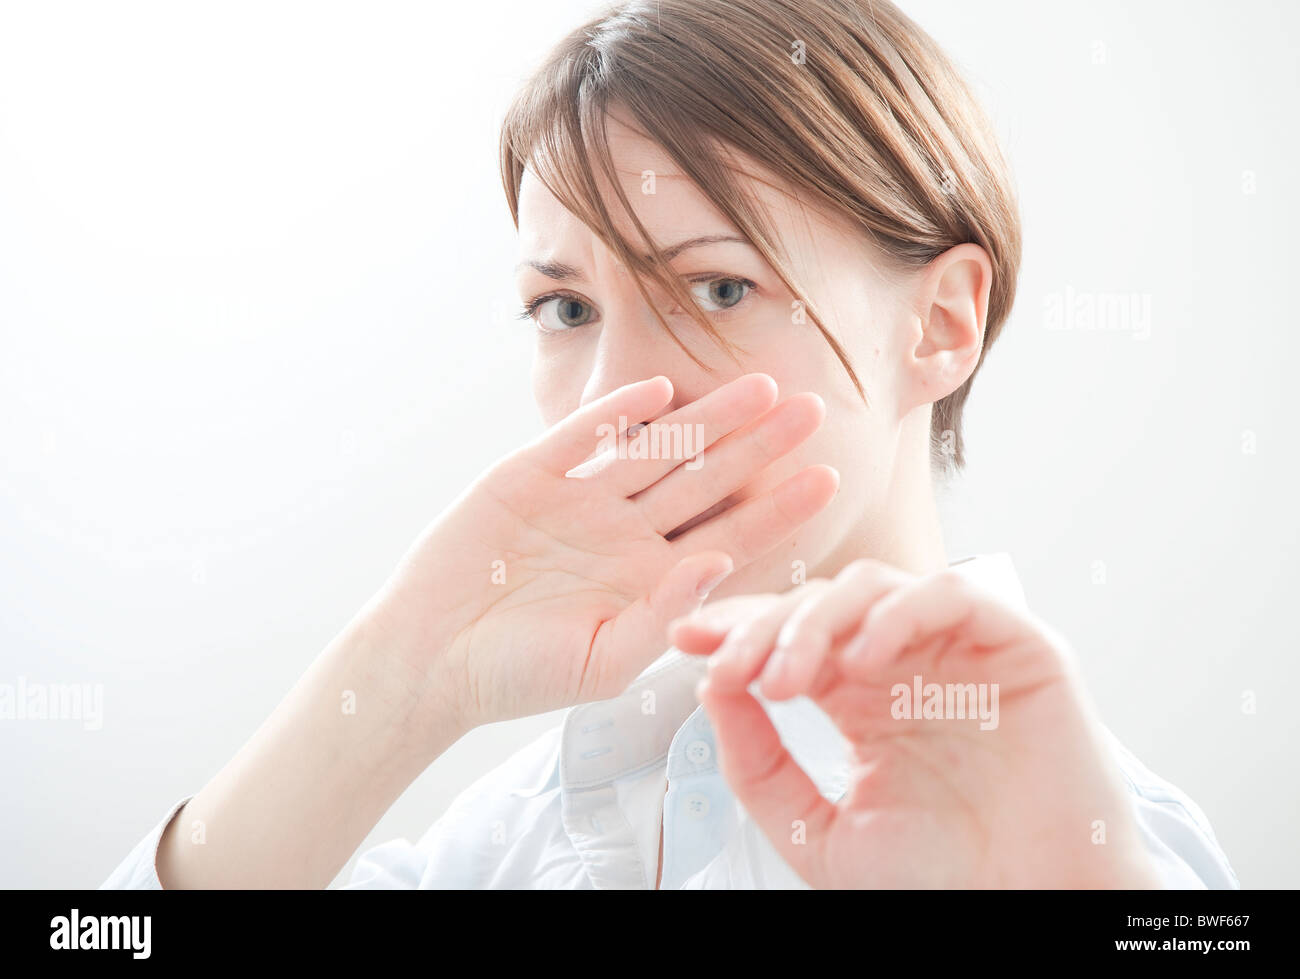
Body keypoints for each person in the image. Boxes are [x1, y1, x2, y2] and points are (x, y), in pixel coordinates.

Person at [102, 0, 1237, 889]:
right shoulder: (517, 837)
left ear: (939, 326)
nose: (619, 397)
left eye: (718, 285)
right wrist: (396, 676)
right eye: (566, 308)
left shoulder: (1100, 850)